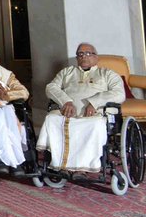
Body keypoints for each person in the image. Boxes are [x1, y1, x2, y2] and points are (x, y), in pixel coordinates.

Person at [38, 43, 126, 173]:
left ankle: (83, 168)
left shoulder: (107, 74)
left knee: (94, 124)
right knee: (52, 118)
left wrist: (94, 103)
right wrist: (66, 101)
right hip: (68, 112)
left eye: (88, 53)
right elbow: (51, 87)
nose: (84, 56)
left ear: (97, 58)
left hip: (94, 114)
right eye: (80, 54)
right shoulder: (67, 72)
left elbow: (119, 94)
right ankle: (60, 165)